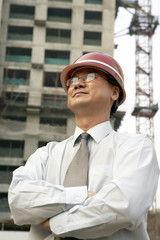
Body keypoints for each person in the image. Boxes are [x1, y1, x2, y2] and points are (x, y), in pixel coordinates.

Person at [8, 52, 159, 240]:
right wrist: (83, 196)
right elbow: (18, 199)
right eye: (72, 80)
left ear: (115, 92)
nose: (77, 84)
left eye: (89, 77)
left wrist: (54, 222)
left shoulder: (136, 148)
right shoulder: (46, 154)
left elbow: (122, 207)